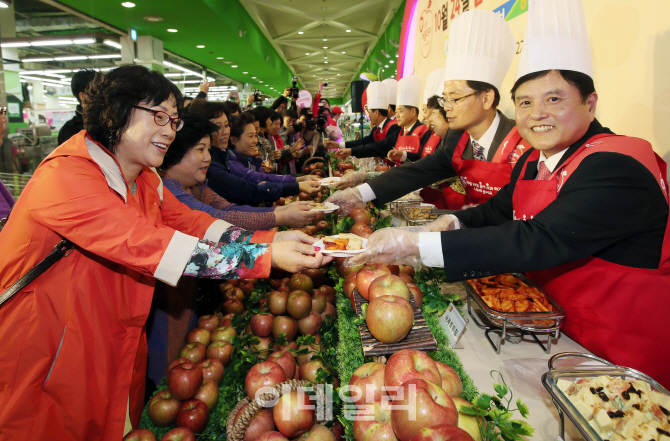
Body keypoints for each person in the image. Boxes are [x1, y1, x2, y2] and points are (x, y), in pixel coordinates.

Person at [348, 0, 670, 388]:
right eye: (525, 102)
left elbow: (540, 238)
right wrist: (453, 220)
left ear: (590, 102)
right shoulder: (537, 160)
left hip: (620, 350)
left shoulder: (619, 163)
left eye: (554, 99)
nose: (536, 114)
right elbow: (500, 210)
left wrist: (416, 245)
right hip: (551, 328)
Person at [0, 65, 330, 440]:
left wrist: (271, 242)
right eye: (158, 116)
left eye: (173, 120)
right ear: (115, 112)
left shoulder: (142, 177)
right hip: (48, 352)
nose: (170, 131)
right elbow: (151, 245)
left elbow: (192, 223)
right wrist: (263, 259)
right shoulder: (66, 179)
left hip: (110, 341)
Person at [328, 10, 519, 212]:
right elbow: (416, 172)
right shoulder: (456, 138)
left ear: (486, 97)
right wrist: (360, 193)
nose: (446, 107)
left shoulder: (522, 143)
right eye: (445, 99)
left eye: (454, 98)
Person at [161, 113, 317, 230]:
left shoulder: (198, 186)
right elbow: (218, 218)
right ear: (174, 152)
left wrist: (283, 209)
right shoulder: (167, 190)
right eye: (200, 150)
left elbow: (230, 209)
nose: (207, 158)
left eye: (208, 150)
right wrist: (281, 216)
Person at [189, 101, 298, 206]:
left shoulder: (224, 157)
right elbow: (247, 189)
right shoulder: (221, 163)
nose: (225, 131)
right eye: (251, 136)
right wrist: (296, 185)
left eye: (226, 125)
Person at [334, 75, 432, 164]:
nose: (397, 115)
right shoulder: (399, 133)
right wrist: (351, 151)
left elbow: (425, 158)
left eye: (400, 111)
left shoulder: (424, 132)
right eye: (396, 111)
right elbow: (376, 146)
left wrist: (403, 155)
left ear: (413, 112)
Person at [226, 112, 321, 191]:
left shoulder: (248, 158)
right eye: (251, 136)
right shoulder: (232, 163)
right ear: (233, 140)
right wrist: (298, 182)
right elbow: (260, 178)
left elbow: (262, 176)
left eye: (255, 135)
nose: (255, 140)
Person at [327, 82, 400, 153]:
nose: (368, 115)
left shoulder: (393, 127)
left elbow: (376, 147)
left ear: (377, 112)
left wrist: (351, 151)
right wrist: (338, 144)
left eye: (369, 112)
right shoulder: (376, 129)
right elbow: (362, 142)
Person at [57, 68, 97, 144]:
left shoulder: (110, 122)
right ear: (83, 96)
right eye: (97, 92)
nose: (104, 95)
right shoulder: (70, 131)